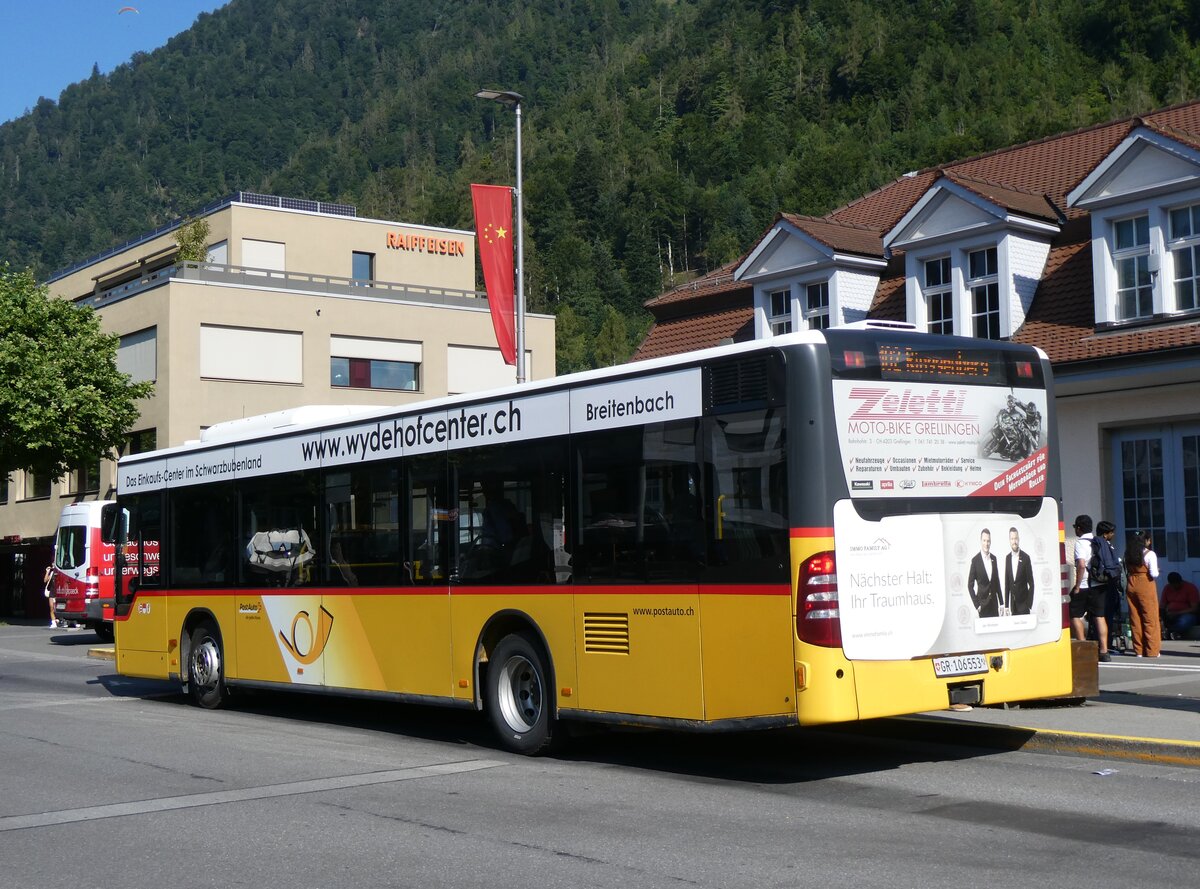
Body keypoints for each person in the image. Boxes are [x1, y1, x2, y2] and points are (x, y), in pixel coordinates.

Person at [1069, 514, 1112, 662]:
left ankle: (1084, 648)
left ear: (1079, 528)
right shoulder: (1098, 541)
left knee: (1075, 615)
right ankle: (1104, 651)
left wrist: (1077, 585)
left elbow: (1081, 564)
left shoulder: (1080, 543)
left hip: (1085, 584)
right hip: (1099, 584)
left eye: (1075, 527)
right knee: (1099, 617)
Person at [1123, 530, 1161, 656]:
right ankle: (1152, 650)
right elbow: (1154, 573)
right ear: (1146, 541)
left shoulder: (1128, 553)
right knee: (1150, 617)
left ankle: (1138, 650)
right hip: (1145, 583)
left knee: (1135, 617)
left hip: (1131, 582)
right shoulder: (1150, 554)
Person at [967, 528, 1001, 618]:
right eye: (984, 540)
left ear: (991, 542)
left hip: (994, 605)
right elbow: (970, 585)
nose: (986, 544)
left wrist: (1001, 603)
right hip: (983, 607)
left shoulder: (994, 559)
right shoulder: (975, 561)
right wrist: (977, 605)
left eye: (988, 541)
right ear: (981, 541)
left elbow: (997, 582)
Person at [1004, 526, 1035, 615]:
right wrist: (1006, 606)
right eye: (1012, 539)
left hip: (1024, 607)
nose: (1014, 541)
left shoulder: (1026, 558)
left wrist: (1028, 604)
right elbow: (1007, 584)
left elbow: (1031, 583)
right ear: (1009, 540)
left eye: (1016, 538)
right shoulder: (1007, 558)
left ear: (1019, 539)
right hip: (1013, 607)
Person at [1161, 571, 1200, 639]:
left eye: (1175, 584)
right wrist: (1164, 616)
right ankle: (1169, 631)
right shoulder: (1167, 588)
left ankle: (1172, 631)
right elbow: (1162, 605)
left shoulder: (1190, 588)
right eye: (1172, 585)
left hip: (1186, 614)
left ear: (1180, 582)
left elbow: (1195, 608)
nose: (1174, 587)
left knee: (1185, 622)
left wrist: (1177, 613)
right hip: (1171, 614)